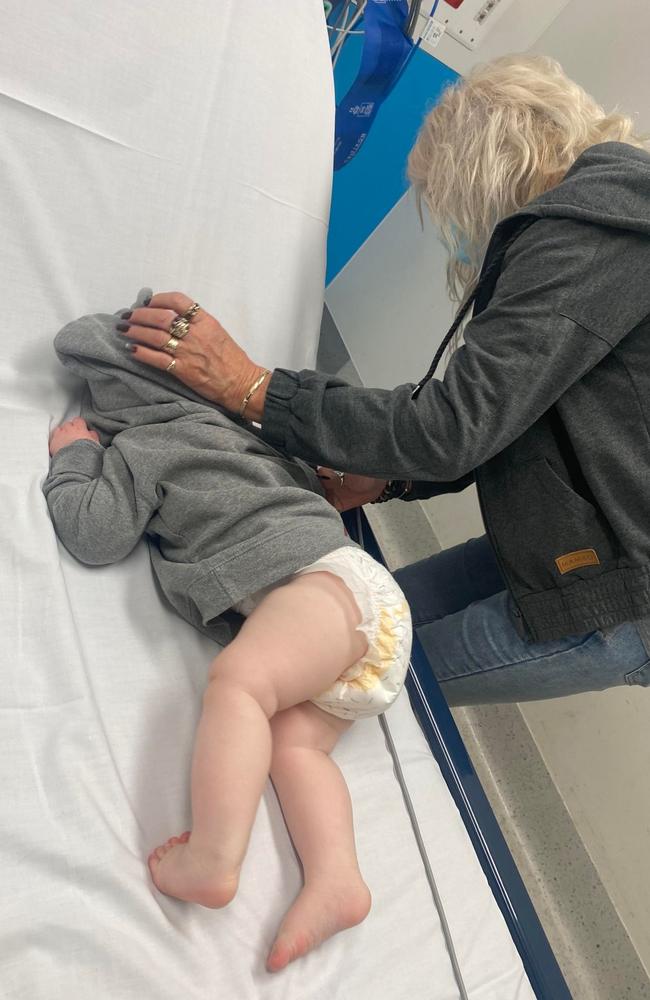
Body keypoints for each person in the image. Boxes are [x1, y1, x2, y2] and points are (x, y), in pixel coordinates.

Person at [113, 53, 650, 706]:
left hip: (626, 585)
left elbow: (453, 427)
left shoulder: (590, 230)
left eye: (452, 204)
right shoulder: (608, 225)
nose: (461, 232)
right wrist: (393, 474)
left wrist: (250, 387)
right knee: (352, 626)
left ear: (488, 171)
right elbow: (517, 416)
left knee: (336, 680)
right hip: (577, 536)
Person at [43, 293, 412, 974]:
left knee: (240, 684)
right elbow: (305, 483)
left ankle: (214, 856)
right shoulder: (242, 428)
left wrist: (75, 459)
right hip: (360, 608)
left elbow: (94, 535)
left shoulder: (143, 446)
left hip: (327, 590)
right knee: (294, 751)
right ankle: (337, 880)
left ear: (113, 399)